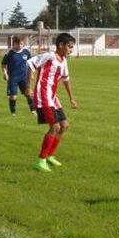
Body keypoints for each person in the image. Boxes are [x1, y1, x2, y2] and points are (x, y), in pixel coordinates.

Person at [28, 33, 78, 172]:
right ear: (61, 45)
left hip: (53, 97)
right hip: (43, 96)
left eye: (72, 47)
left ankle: (50, 156)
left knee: (64, 126)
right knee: (55, 127)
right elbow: (31, 63)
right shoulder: (49, 56)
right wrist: (28, 87)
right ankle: (40, 160)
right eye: (69, 47)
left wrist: (71, 98)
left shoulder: (63, 61)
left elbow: (66, 80)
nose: (71, 50)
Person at [1, 36, 33, 116]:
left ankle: (33, 110)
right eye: (18, 44)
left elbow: (31, 64)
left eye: (21, 44)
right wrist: (5, 73)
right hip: (13, 78)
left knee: (28, 94)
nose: (20, 46)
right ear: (14, 44)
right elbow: (3, 64)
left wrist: (31, 75)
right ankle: (13, 113)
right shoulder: (9, 53)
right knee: (13, 96)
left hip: (24, 77)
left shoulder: (26, 52)